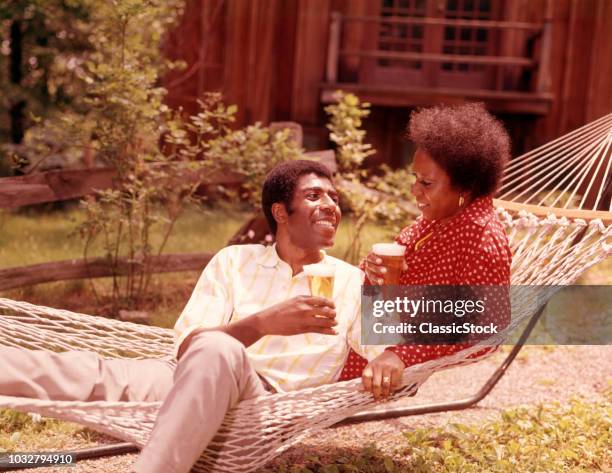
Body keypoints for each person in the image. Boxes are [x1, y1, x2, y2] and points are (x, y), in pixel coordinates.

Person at [0, 160, 406, 473]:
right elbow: (192, 345)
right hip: (185, 376)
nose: (331, 206)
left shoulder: (352, 281)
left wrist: (391, 353)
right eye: (316, 196)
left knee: (219, 347)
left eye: (334, 197)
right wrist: (264, 323)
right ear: (281, 212)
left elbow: (386, 347)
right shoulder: (234, 261)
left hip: (262, 403)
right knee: (88, 371)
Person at [338, 102, 513, 381]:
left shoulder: (480, 241)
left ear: (465, 188)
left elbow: (484, 333)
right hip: (357, 326)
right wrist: (371, 272)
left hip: (364, 354)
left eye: (426, 183)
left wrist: (403, 354)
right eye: (415, 178)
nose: (413, 190)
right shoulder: (438, 220)